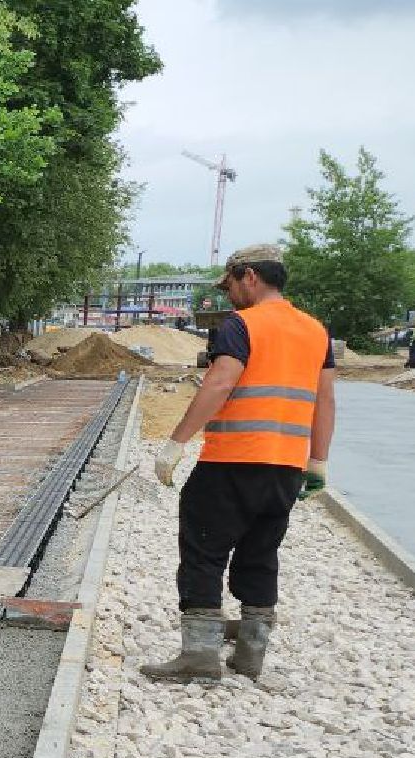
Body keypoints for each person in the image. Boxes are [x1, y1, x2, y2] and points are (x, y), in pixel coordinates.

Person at [144, 245, 336, 683]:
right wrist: (318, 462)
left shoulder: (241, 324)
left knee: (204, 550)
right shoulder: (315, 330)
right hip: (285, 468)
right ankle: (250, 656)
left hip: (232, 460)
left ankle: (200, 656)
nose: (229, 295)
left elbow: (221, 381)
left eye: (230, 284)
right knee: (260, 554)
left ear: (249, 276)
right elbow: (325, 400)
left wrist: (175, 443)